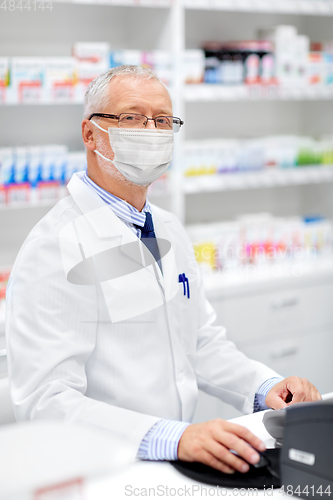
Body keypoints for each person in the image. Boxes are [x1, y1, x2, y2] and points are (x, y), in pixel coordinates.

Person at [6, 65, 321, 474]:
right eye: (133, 117)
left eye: (162, 120)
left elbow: (199, 341)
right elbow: (45, 401)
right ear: (89, 134)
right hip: (101, 468)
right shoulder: (53, 247)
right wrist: (170, 437)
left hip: (175, 460)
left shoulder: (167, 227)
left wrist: (265, 388)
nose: (151, 131)